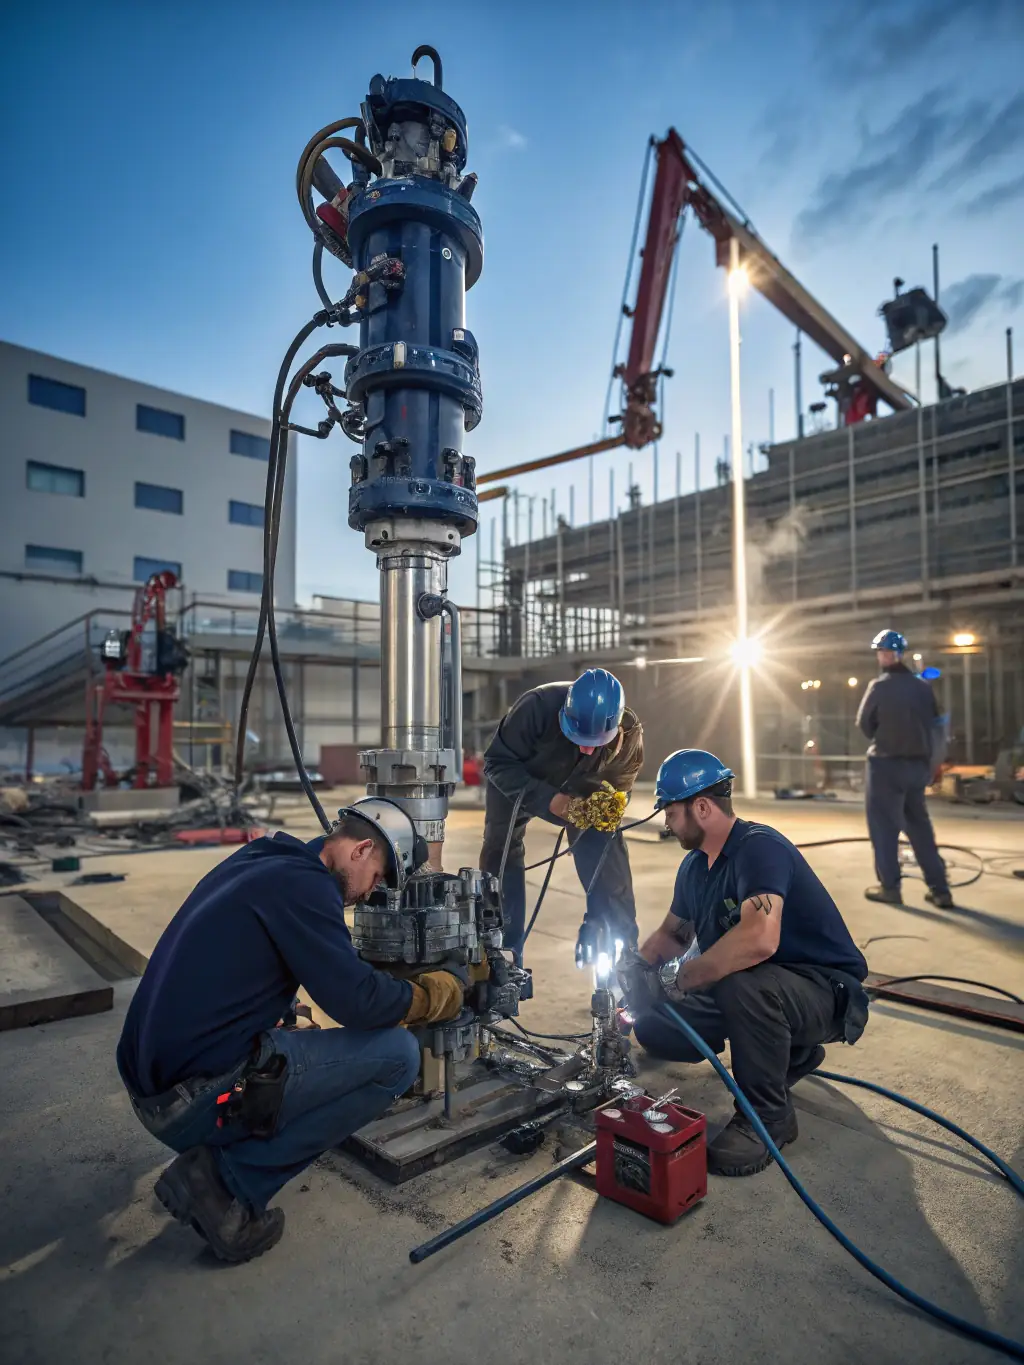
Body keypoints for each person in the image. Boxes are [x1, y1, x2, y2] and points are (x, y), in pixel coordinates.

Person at [117, 798, 466, 1263]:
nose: (370, 892)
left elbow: (237, 951)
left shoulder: (268, 858)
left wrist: (280, 1005)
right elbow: (360, 1002)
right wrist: (435, 994)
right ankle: (226, 1187)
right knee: (397, 1056)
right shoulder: (309, 890)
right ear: (361, 849)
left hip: (150, 1088)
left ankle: (219, 1159)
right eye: (379, 876)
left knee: (301, 1039)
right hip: (190, 1105)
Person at [631, 749, 869, 1178]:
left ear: (701, 807)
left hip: (822, 990)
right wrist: (635, 972)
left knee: (743, 984)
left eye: (669, 809)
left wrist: (678, 981)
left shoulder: (758, 847)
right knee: (654, 1027)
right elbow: (672, 935)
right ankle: (791, 1055)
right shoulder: (693, 867)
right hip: (761, 987)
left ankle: (768, 1117)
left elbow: (759, 940)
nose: (665, 821)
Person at [480, 668, 643, 962]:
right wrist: (549, 800)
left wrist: (603, 809)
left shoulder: (628, 736)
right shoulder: (535, 707)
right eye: (578, 736)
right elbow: (496, 763)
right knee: (501, 847)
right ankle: (502, 952)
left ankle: (623, 951)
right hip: (520, 777)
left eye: (594, 742)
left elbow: (620, 791)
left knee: (606, 847)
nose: (584, 746)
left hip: (583, 785)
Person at [856, 629, 952, 909]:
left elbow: (864, 724)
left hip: (886, 766)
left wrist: (886, 736)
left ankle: (890, 888)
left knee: (884, 829)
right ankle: (940, 890)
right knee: (920, 828)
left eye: (882, 652)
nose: (882, 656)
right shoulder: (923, 688)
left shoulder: (879, 687)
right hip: (917, 767)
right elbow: (936, 725)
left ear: (885, 655)